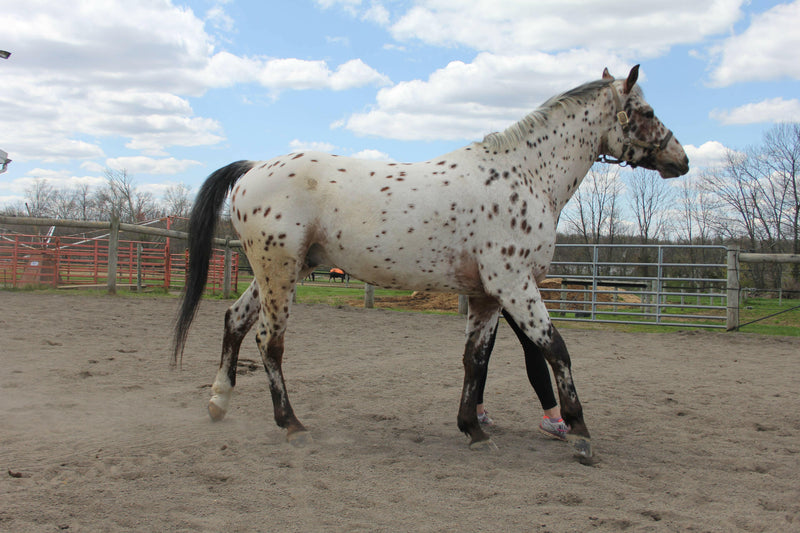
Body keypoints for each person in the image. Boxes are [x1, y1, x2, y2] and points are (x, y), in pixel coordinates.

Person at [474, 311, 569, 441]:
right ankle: (552, 416)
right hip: (507, 291)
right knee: (530, 341)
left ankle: (477, 411)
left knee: (483, 346)